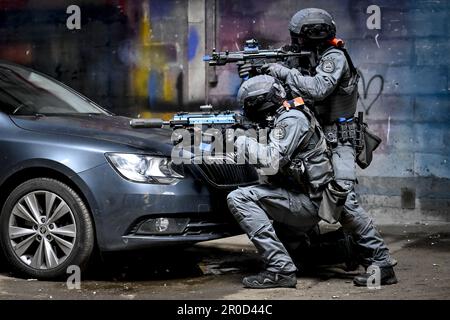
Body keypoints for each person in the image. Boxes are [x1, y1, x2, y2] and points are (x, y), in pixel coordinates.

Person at [245, 8, 397, 286]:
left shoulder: (334, 58)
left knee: (342, 199)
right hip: (313, 140)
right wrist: (258, 70)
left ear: (312, 35)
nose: (295, 41)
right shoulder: (306, 57)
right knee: (298, 190)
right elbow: (285, 89)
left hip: (338, 140)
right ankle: (321, 252)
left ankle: (381, 263)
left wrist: (280, 70)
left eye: (298, 36)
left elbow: (316, 89)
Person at [227, 74, 339, 288]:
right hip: (306, 198)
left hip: (309, 203)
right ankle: (345, 248)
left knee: (239, 198)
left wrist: (240, 140)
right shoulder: (284, 117)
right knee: (301, 255)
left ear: (260, 103)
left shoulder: (291, 119)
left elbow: (271, 159)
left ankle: (280, 271)